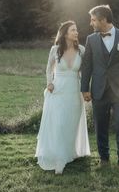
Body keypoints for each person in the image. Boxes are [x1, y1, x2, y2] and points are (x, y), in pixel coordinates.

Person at [80, 5, 119, 175]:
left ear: (103, 20)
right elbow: (87, 65)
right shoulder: (91, 40)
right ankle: (104, 158)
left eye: (93, 19)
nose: (91, 23)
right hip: (99, 89)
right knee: (100, 125)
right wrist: (84, 88)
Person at [35, 21, 90, 174]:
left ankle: (68, 153)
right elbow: (48, 69)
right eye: (73, 30)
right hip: (58, 91)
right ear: (65, 33)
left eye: (77, 30)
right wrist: (49, 83)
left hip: (74, 91)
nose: (76, 32)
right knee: (59, 123)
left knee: (70, 124)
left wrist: (86, 90)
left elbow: (84, 73)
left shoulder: (82, 50)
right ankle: (60, 158)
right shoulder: (55, 50)